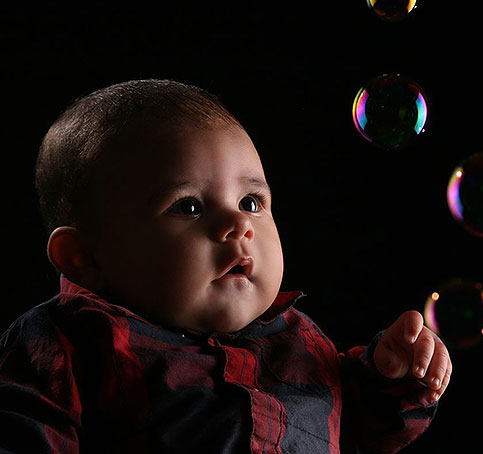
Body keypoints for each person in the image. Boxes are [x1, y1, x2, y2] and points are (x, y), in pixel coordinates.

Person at [0, 79, 452, 453]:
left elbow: (365, 432)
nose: (238, 224)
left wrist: (389, 376)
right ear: (86, 257)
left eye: (251, 201)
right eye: (191, 207)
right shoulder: (70, 341)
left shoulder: (298, 340)